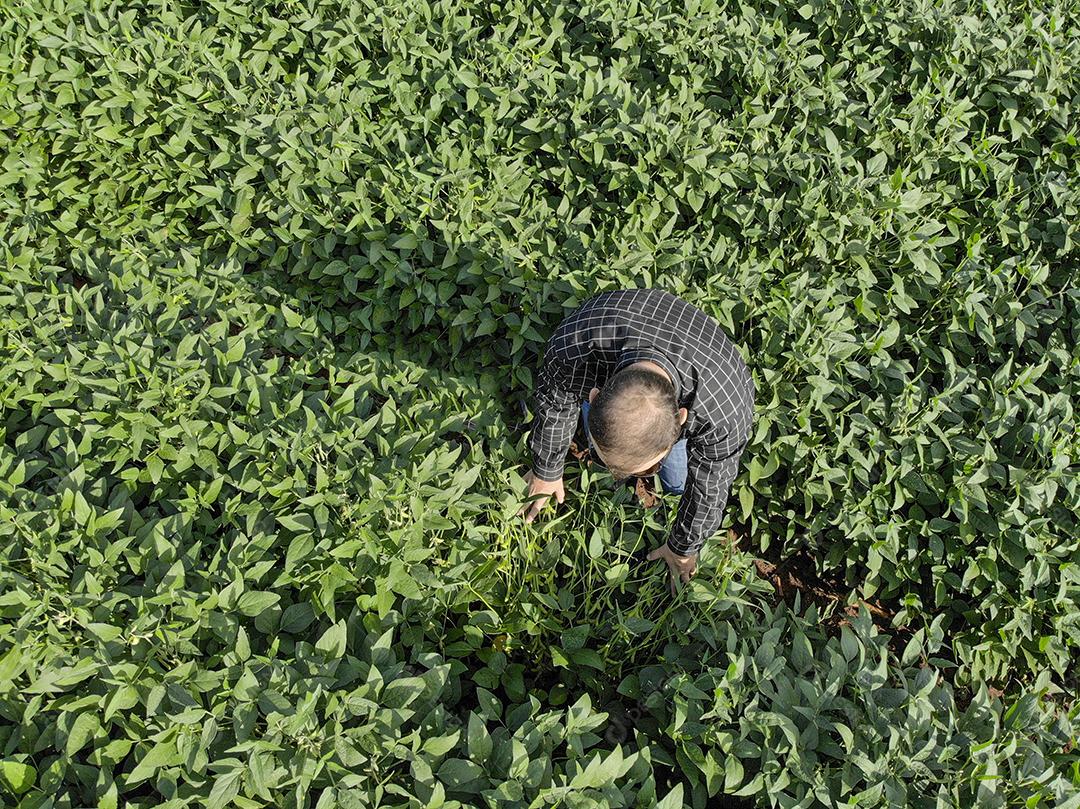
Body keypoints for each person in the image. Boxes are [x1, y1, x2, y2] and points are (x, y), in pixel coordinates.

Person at [518, 288, 755, 593]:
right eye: (606, 461)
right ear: (594, 393)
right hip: (618, 326)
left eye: (646, 469)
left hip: (701, 366)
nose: (627, 476)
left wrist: (683, 547)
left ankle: (663, 464)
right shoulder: (576, 344)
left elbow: (711, 486)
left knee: (680, 482)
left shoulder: (725, 408)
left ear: (681, 419)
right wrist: (546, 469)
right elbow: (555, 400)